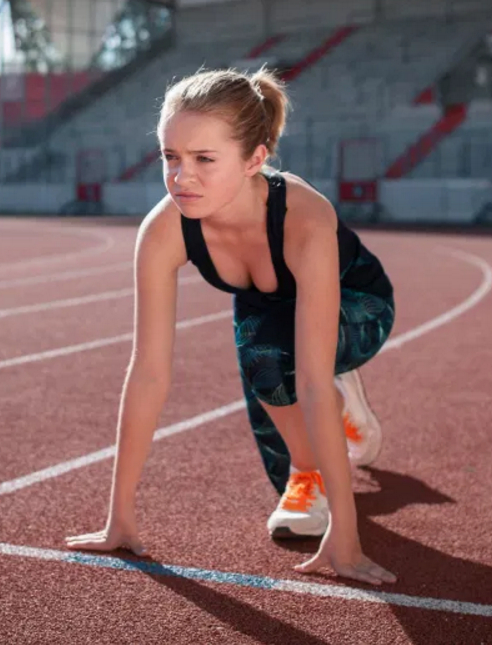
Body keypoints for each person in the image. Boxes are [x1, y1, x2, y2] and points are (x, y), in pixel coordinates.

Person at [65, 67, 398, 586]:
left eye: (203, 159)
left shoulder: (305, 218)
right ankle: (316, 451)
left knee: (296, 370)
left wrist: (346, 531)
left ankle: (335, 411)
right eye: (169, 157)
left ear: (254, 160)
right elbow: (149, 372)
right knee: (270, 375)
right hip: (267, 311)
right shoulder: (163, 231)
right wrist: (120, 515)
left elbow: (309, 381)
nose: (181, 176)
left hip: (357, 306)